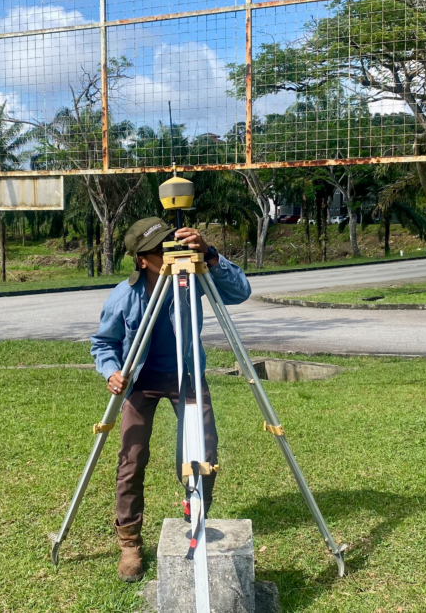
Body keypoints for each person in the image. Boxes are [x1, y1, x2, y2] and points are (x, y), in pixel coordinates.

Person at [91, 217, 252, 582]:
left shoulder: (190, 279)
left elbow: (240, 292)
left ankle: (195, 513)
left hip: (187, 374)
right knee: (131, 458)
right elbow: (102, 343)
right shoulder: (124, 295)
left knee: (203, 449)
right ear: (143, 259)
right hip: (140, 380)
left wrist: (209, 254)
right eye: (161, 248)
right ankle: (130, 541)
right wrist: (112, 371)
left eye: (173, 243)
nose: (171, 252)